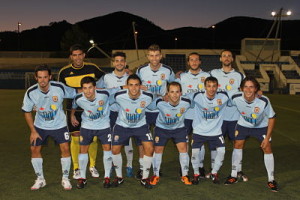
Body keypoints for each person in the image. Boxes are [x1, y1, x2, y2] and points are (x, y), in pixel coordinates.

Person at [22, 65, 76, 190]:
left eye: (45, 77)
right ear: (36, 78)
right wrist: (33, 131)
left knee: (65, 149)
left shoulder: (59, 87)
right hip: (40, 126)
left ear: (50, 77)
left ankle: (65, 178)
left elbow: (75, 93)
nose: (42, 80)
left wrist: (73, 112)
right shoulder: (31, 92)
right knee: (34, 150)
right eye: (40, 77)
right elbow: (26, 111)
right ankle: (40, 179)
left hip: (59, 125)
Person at [58, 44, 105, 179]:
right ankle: (77, 168)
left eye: (80, 54)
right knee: (76, 138)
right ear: (71, 57)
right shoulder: (64, 72)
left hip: (91, 109)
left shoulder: (92, 68)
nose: (77, 58)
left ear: (84, 55)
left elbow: (105, 79)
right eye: (75, 55)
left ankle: (92, 166)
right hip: (73, 110)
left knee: (93, 138)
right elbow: (60, 91)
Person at [224, 77, 278, 192]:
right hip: (243, 125)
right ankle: (233, 175)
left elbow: (272, 118)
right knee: (237, 145)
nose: (248, 90)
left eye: (251, 87)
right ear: (241, 88)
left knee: (267, 147)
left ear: (256, 89)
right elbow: (224, 99)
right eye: (246, 87)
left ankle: (271, 179)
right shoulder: (235, 97)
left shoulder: (263, 101)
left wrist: (267, 138)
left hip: (261, 127)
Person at [71, 77, 121, 189]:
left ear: (95, 87)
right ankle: (82, 178)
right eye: (85, 88)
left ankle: (107, 177)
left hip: (104, 126)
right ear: (82, 89)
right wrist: (72, 115)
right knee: (83, 150)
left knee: (107, 148)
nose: (88, 91)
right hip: (87, 126)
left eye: (90, 88)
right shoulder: (79, 98)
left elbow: (119, 88)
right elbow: (73, 105)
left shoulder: (104, 93)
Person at [136, 44, 175, 178]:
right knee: (142, 140)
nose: (154, 58)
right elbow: (134, 85)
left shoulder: (168, 70)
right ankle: (142, 167)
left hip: (160, 110)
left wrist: (168, 95)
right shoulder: (141, 70)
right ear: (147, 56)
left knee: (159, 140)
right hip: (144, 110)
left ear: (161, 56)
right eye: (151, 55)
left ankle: (156, 168)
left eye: (157, 55)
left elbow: (174, 85)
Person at [111, 74, 154, 189]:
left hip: (140, 126)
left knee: (149, 148)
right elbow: (107, 99)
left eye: (136, 85)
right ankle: (119, 177)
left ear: (140, 86)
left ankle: (144, 178)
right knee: (115, 150)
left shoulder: (148, 96)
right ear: (127, 86)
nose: (134, 88)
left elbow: (156, 103)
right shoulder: (119, 95)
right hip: (122, 126)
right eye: (131, 85)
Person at [209, 50, 247, 181]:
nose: (226, 58)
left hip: (234, 117)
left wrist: (257, 91)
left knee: (237, 143)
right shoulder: (213, 73)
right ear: (220, 58)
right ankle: (214, 171)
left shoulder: (239, 75)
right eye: (224, 56)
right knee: (214, 144)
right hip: (217, 117)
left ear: (232, 59)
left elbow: (248, 88)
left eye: (229, 56)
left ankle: (238, 170)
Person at [96, 52, 134, 177]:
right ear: (113, 63)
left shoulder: (131, 77)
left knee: (127, 141)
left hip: (126, 113)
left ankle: (129, 165)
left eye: (121, 60)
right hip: (111, 113)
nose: (119, 63)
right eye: (116, 61)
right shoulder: (106, 77)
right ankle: (113, 164)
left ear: (125, 62)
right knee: (112, 141)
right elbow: (97, 90)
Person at [188, 76, 229, 184]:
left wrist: (257, 93)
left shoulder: (224, 96)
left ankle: (214, 173)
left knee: (222, 151)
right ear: (204, 87)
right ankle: (196, 174)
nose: (211, 89)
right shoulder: (197, 96)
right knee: (195, 153)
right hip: (199, 131)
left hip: (216, 132)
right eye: (209, 86)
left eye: (214, 86)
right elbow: (182, 96)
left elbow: (237, 93)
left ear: (217, 87)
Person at [149, 82, 192, 186]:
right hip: (162, 129)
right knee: (158, 150)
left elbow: (196, 103)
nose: (175, 94)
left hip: (179, 129)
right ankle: (155, 174)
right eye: (172, 92)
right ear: (167, 93)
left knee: (183, 149)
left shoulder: (187, 102)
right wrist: (158, 97)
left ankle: (185, 175)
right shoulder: (160, 102)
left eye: (177, 92)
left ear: (181, 93)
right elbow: (150, 106)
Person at [175, 52, 210, 178]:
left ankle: (200, 166)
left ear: (200, 62)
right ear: (188, 62)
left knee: (199, 142)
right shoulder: (181, 77)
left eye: (196, 60)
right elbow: (172, 90)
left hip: (202, 115)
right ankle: (184, 166)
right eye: (191, 60)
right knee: (183, 142)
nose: (194, 62)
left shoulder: (207, 76)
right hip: (185, 115)